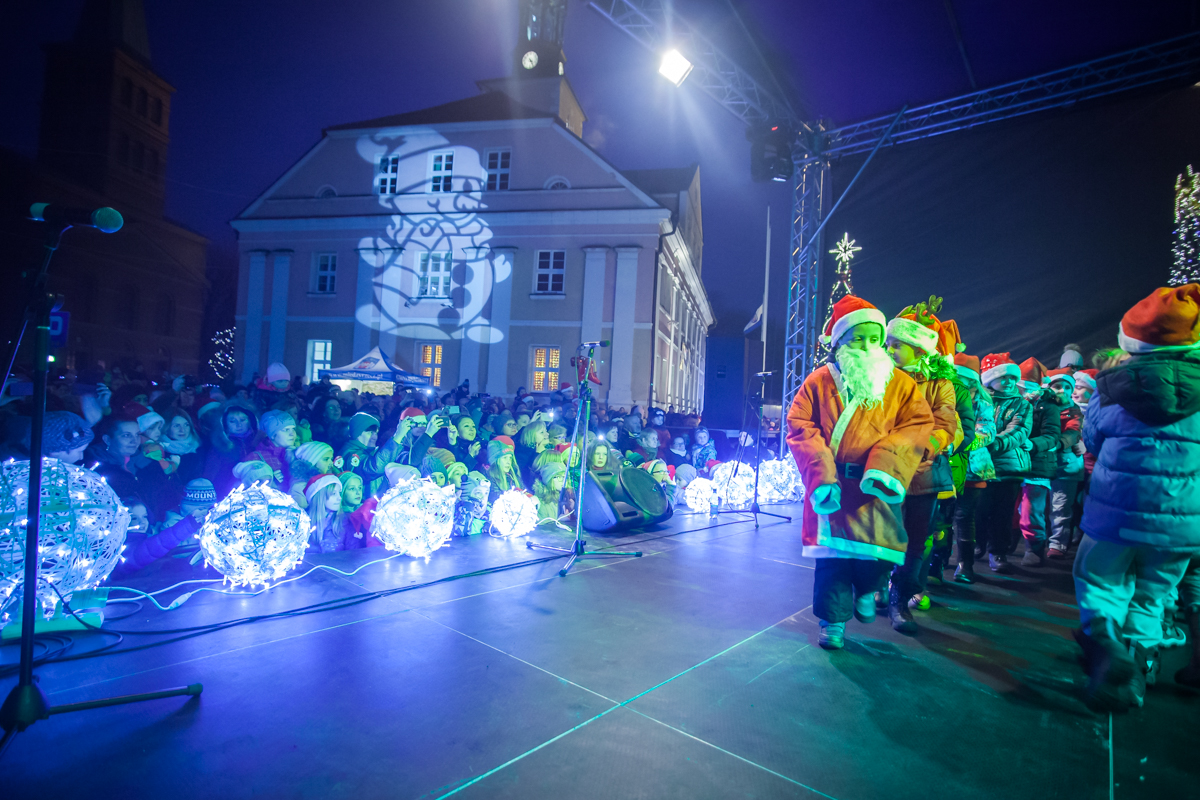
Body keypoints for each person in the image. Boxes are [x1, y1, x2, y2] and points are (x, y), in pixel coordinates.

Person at [1072, 284, 1200, 710]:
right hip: (1181, 520)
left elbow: (1092, 439)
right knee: (1151, 596)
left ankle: (1107, 645)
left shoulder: (1111, 385)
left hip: (1115, 511)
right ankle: (1137, 678)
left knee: (1100, 580)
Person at [786, 296, 934, 650]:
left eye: (874, 339)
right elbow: (801, 425)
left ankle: (869, 589)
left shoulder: (900, 384)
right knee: (832, 561)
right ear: (839, 341)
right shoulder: (819, 381)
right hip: (833, 485)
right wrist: (821, 474)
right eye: (857, 339)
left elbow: (917, 425)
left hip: (874, 487)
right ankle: (833, 622)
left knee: (876, 555)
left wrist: (886, 465)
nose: (867, 346)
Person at [884, 301, 959, 626]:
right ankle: (879, 584)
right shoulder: (882, 378)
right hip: (886, 468)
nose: (889, 350)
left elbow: (946, 424)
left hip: (923, 473)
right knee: (884, 534)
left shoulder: (940, 384)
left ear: (917, 348)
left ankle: (900, 599)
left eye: (896, 345)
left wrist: (925, 449)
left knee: (916, 539)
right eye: (888, 344)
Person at [977, 354, 1032, 573]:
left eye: (1012, 377)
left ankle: (998, 552)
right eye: (1002, 377)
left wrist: (991, 443)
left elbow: (1019, 430)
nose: (1008, 381)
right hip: (981, 466)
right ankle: (978, 542)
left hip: (1009, 467)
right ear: (989, 379)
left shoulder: (1022, 404)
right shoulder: (980, 400)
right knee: (979, 509)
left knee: (1003, 512)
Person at [950, 353, 996, 583]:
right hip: (949, 465)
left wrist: (962, 442)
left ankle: (965, 564)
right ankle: (938, 562)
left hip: (973, 467)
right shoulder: (945, 396)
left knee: (964, 515)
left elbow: (987, 432)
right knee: (944, 515)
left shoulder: (983, 403)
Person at [1018, 358, 1064, 565]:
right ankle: (1004, 546)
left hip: (1038, 464)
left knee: (1031, 510)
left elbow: (1052, 435)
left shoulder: (1048, 406)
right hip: (1014, 463)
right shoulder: (1014, 401)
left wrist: (1033, 444)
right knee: (1012, 509)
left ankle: (1034, 548)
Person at [1044, 369, 1085, 557]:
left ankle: (1057, 544)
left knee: (1060, 506)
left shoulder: (1075, 412)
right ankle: (1039, 542)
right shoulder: (1040, 407)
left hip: (1066, 465)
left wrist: (1057, 444)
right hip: (1042, 465)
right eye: (1057, 386)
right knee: (1039, 507)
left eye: (1067, 387)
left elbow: (1073, 432)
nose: (1063, 391)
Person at [305, 474, 347, 552]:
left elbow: (353, 553)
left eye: (339, 493)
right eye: (333, 494)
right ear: (320, 497)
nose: (339, 498)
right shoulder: (302, 522)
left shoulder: (344, 521)